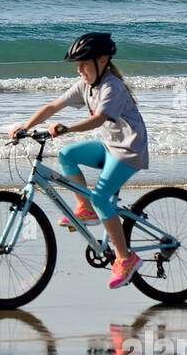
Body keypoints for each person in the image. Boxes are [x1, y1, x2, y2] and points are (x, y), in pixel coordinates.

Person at [8, 32, 149, 289]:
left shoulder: (111, 87)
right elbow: (52, 107)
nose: (80, 71)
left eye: (84, 65)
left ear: (103, 60)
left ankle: (125, 258)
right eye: (78, 66)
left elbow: (98, 120)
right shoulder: (86, 86)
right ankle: (85, 208)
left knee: (100, 196)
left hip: (129, 150)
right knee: (67, 155)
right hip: (110, 147)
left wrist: (68, 129)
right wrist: (24, 127)